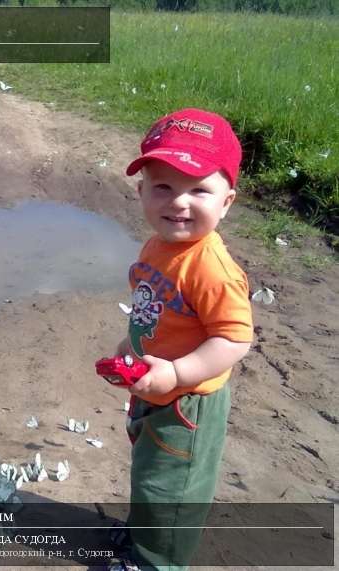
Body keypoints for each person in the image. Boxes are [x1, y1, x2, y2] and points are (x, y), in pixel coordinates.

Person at [108, 108, 254, 571]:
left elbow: (234, 338)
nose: (179, 202)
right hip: (156, 387)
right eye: (164, 187)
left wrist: (176, 371)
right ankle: (145, 536)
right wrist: (131, 349)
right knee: (151, 474)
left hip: (188, 401)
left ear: (227, 201)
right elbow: (153, 310)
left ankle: (158, 561)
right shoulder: (159, 245)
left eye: (199, 190)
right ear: (142, 192)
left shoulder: (211, 267)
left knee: (172, 489)